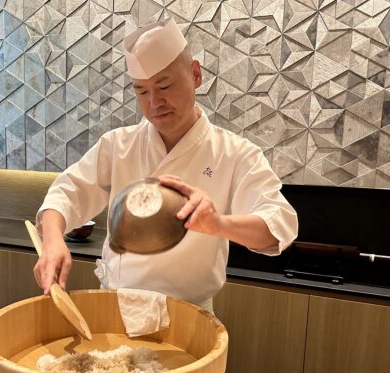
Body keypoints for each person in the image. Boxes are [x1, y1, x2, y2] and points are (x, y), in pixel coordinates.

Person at [34, 18, 298, 312]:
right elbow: (67, 192)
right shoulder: (118, 145)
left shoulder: (235, 153)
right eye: (142, 91)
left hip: (189, 316)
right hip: (116, 308)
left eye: (164, 85)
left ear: (195, 74)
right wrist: (53, 240)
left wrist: (218, 223)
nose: (154, 102)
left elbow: (279, 225)